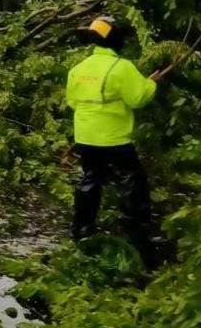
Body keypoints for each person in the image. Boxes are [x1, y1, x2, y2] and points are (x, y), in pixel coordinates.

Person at [67, 15, 160, 243]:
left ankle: (82, 230)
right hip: (114, 138)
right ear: (117, 40)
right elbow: (138, 98)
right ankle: (135, 232)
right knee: (130, 180)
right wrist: (152, 83)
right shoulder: (122, 67)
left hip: (86, 137)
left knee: (91, 179)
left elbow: (72, 101)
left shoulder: (78, 69)